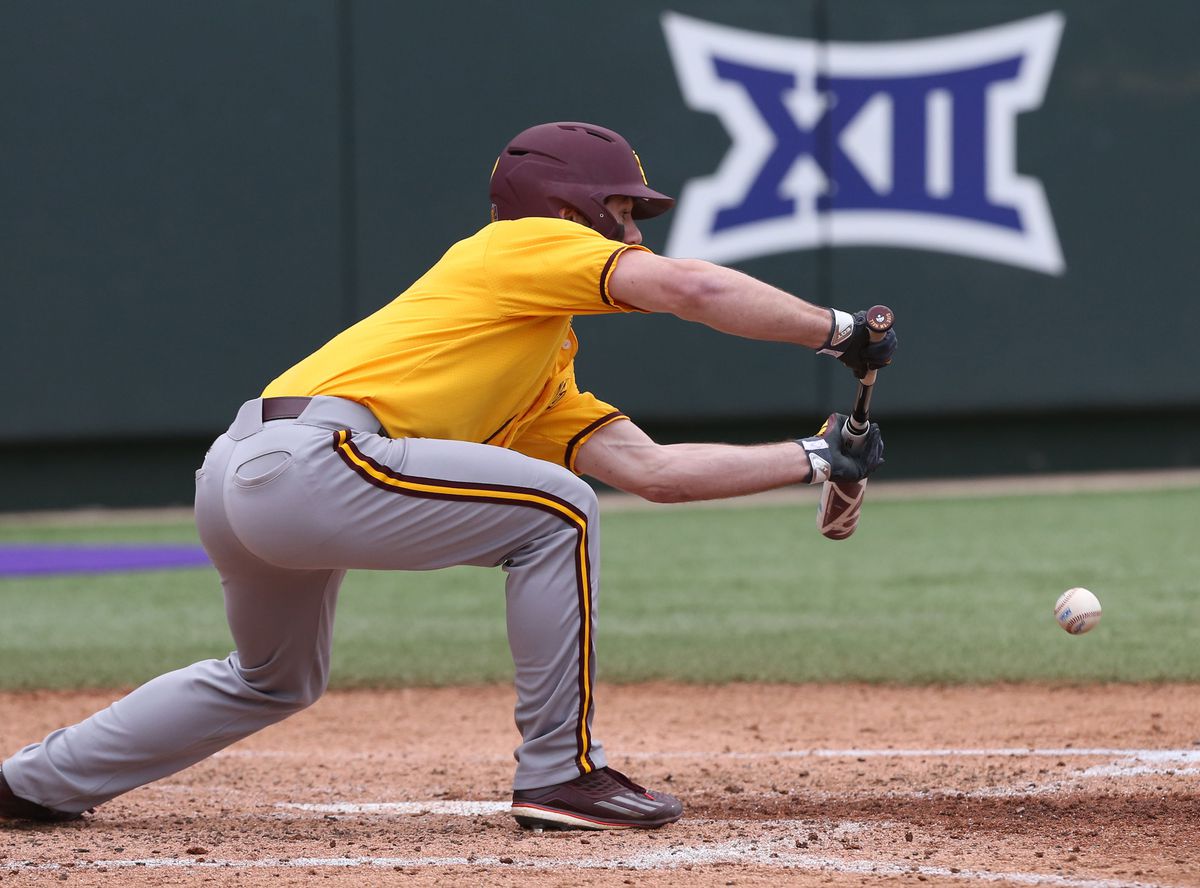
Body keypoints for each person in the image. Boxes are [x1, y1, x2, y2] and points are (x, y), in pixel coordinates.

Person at [0, 121, 893, 831]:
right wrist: (841, 329)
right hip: (321, 460)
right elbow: (691, 291)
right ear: (573, 206)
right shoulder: (521, 246)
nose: (635, 228)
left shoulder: (532, 357)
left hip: (243, 472)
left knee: (273, 677)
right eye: (626, 209)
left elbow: (650, 471)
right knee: (557, 514)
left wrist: (814, 458)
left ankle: (33, 785)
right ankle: (559, 774)